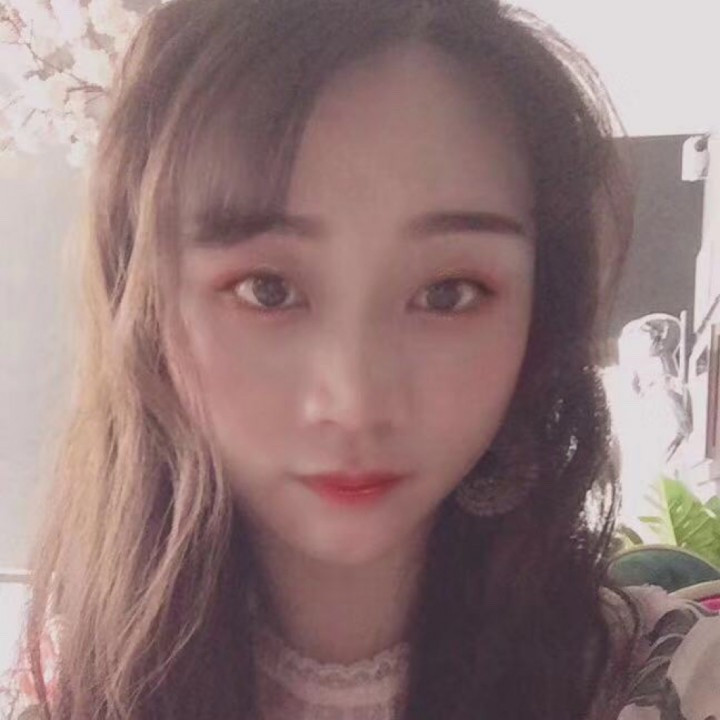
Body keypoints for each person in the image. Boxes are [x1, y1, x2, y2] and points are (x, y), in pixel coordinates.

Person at [1, 0, 719, 718]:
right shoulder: (77, 695)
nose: (355, 399)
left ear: (541, 313)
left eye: (448, 293)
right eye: (268, 289)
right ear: (148, 309)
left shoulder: (668, 681)